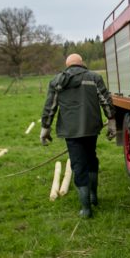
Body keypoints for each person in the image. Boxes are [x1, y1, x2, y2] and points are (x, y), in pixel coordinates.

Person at [40, 53, 116, 218]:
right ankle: (93, 196)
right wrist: (111, 121)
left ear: (67, 65)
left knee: (78, 165)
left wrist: (45, 128)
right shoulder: (94, 78)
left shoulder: (57, 81)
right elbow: (106, 100)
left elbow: (50, 106)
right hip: (91, 128)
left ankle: (86, 209)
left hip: (71, 131)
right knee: (91, 159)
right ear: (82, 63)